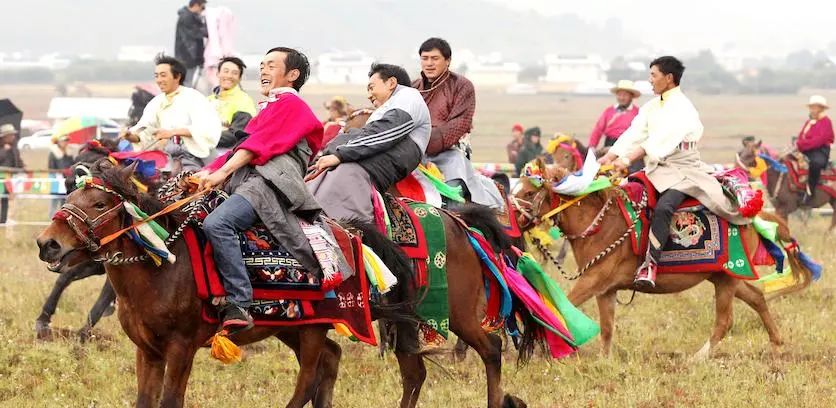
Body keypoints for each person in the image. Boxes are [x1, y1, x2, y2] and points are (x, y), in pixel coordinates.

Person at [196, 47, 325, 331]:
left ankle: (240, 303)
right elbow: (238, 148)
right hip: (251, 178)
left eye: (270, 65)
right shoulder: (270, 106)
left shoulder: (292, 106)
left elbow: (258, 147)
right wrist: (203, 173)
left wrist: (221, 173)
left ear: (292, 75)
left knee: (217, 223)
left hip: (271, 183)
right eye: (262, 65)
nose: (263, 71)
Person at [598, 56, 749, 289]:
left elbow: (659, 141)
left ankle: (651, 265)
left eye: (653, 76)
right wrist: (609, 157)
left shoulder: (682, 107)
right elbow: (634, 133)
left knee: (664, 207)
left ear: (668, 78)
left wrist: (626, 160)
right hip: (657, 167)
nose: (650, 81)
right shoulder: (651, 105)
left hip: (683, 168)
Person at [308, 63, 430, 223]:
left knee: (345, 175)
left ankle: (357, 237)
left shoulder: (408, 96)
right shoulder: (386, 108)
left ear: (391, 83)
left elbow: (385, 132)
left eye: (372, 87)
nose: (369, 95)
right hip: (370, 159)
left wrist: (339, 154)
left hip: (380, 162)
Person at [412, 37, 503, 208]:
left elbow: (459, 123)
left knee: (453, 193)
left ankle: (458, 224)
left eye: (435, 58)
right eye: (425, 58)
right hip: (414, 154)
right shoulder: (413, 88)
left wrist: (424, 141)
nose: (429, 63)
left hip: (450, 153)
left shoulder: (462, 86)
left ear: (447, 61)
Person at [124, 55, 221, 173]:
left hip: (194, 156)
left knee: (185, 184)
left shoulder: (194, 97)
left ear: (177, 77)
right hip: (167, 157)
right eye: (157, 76)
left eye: (163, 75)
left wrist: (173, 132)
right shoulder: (156, 102)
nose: (159, 80)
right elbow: (145, 130)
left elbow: (207, 128)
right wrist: (130, 136)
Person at [208, 56, 257, 150]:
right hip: (203, 148)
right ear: (218, 74)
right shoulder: (208, 100)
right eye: (226, 71)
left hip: (227, 151)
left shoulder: (244, 101)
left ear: (239, 78)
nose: (229, 76)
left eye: (234, 73)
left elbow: (236, 134)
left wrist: (201, 139)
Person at [796, 95, 834, 205]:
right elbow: (801, 136)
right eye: (811, 107)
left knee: (815, 164)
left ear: (821, 108)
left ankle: (810, 191)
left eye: (815, 107)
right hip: (807, 149)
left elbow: (819, 140)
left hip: (820, 150)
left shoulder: (826, 122)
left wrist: (802, 144)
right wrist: (800, 143)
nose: (812, 110)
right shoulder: (809, 122)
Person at [588, 80, 641, 147]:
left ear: (631, 96)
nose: (621, 98)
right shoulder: (609, 111)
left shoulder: (638, 113)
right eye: (619, 95)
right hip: (609, 144)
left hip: (629, 146)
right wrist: (592, 146)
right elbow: (598, 130)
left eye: (625, 95)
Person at [175, 0, 208, 88]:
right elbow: (196, 34)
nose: (202, 10)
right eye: (202, 7)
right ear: (196, 5)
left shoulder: (190, 17)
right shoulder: (187, 18)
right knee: (186, 83)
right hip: (187, 58)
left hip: (188, 57)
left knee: (186, 82)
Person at [0, 124, 24, 223]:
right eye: (11, 135)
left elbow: (17, 161)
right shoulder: (2, 148)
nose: (13, 137)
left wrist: (22, 165)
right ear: (4, 136)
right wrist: (3, 151)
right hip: (1, 177)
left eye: (13, 135)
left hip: (10, 178)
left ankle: (3, 220)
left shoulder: (14, 147)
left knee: (6, 198)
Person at [47, 134, 76, 216]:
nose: (66, 143)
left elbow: (72, 165)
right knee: (54, 200)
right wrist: (60, 171)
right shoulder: (53, 153)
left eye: (67, 141)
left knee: (64, 200)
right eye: (64, 141)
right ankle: (51, 218)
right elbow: (51, 168)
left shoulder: (69, 152)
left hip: (67, 179)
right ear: (59, 142)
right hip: (56, 179)